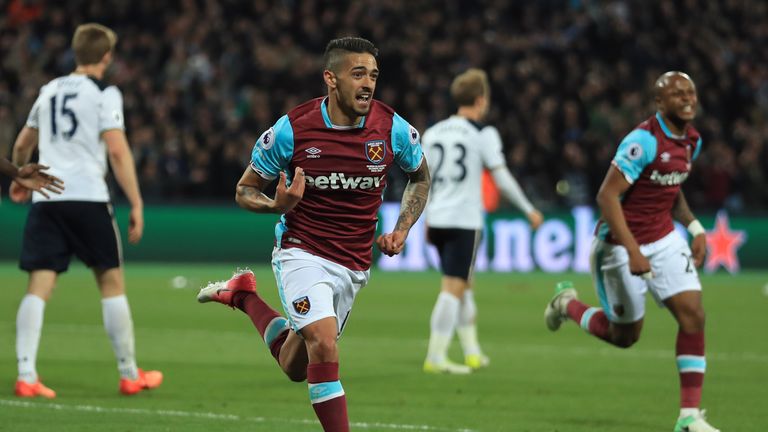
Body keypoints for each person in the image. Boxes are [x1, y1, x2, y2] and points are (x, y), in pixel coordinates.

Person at [197, 36, 429, 432]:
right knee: (324, 341)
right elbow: (245, 188)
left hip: (353, 263)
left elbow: (420, 177)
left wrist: (402, 229)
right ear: (331, 78)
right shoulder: (293, 130)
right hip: (302, 251)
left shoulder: (391, 129)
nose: (368, 83)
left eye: (373, 75)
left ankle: (244, 296)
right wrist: (276, 206)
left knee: (295, 366)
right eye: (358, 74)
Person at [544, 72, 719, 432]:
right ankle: (567, 304)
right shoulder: (642, 141)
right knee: (624, 336)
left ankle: (689, 417)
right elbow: (607, 196)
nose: (687, 98)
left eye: (691, 92)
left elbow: (671, 187)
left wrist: (695, 227)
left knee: (693, 316)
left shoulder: (692, 141)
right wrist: (633, 249)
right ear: (659, 103)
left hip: (665, 238)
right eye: (677, 93)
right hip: (618, 246)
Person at [10, 23, 161, 399]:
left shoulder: (49, 90)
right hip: (88, 197)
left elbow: (24, 142)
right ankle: (129, 374)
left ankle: (26, 374)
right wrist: (137, 202)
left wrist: (19, 177)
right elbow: (117, 149)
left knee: (38, 287)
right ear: (106, 56)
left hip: (47, 198)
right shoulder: (105, 94)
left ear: (76, 53)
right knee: (111, 284)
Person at [420, 68, 543, 374]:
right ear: (480, 99)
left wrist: (421, 219)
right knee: (453, 287)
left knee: (465, 285)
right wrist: (528, 208)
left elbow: (422, 181)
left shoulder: (433, 133)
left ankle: (472, 351)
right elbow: (501, 178)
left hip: (436, 218)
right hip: (464, 220)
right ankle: (436, 357)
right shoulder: (482, 134)